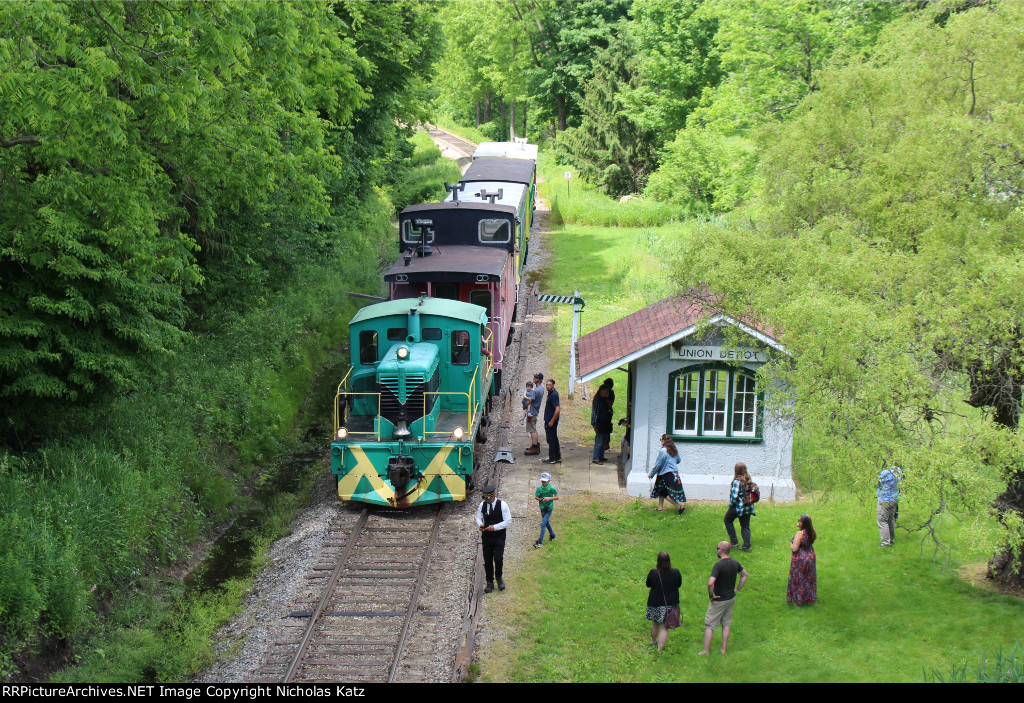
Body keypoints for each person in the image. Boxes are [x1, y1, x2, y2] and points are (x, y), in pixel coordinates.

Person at [700, 541, 748, 656]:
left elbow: (710, 583)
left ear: (721, 550)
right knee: (726, 624)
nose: (717, 550)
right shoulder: (734, 562)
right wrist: (738, 589)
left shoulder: (718, 565)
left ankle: (706, 651)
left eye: (717, 548)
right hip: (731, 598)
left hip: (719, 600)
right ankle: (723, 649)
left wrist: (711, 595)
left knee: (710, 625)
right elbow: (745, 575)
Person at [476, 485, 511, 593]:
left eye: (488, 499)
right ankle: (489, 582)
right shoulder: (482, 505)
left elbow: (508, 521)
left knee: (498, 558)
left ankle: (499, 578)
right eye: (485, 499)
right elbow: (478, 517)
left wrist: (495, 527)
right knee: (487, 559)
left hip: (499, 536)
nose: (487, 501)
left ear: (493, 496)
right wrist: (480, 524)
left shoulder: (502, 505)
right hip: (487, 537)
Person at [645, 551, 682, 653]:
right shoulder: (676, 573)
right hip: (670, 604)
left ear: (658, 561)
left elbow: (648, 584)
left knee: (654, 622)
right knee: (664, 627)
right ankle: (660, 649)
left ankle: (653, 641)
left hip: (655, 602)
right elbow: (679, 584)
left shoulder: (653, 573)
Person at [648, 434, 686, 514]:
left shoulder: (663, 451)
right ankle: (660, 508)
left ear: (664, 441)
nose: (660, 442)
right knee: (661, 490)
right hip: (674, 474)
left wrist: (652, 473)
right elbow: (678, 460)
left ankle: (680, 507)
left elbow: (658, 464)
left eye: (661, 440)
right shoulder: (673, 450)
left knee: (665, 493)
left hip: (666, 475)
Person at [725, 461, 755, 551]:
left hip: (738, 507)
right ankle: (746, 546)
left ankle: (734, 542)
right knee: (745, 527)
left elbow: (734, 496)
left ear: (736, 470)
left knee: (727, 520)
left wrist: (730, 504)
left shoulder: (737, 482)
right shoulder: (749, 481)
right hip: (748, 507)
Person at [787, 514, 817, 606]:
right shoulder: (813, 531)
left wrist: (791, 542)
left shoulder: (799, 534)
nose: (797, 524)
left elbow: (794, 549)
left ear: (803, 523)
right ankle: (809, 598)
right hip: (811, 557)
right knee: (808, 579)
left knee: (798, 579)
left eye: (799, 521)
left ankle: (798, 600)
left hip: (800, 559)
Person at [877, 465, 902, 547]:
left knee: (882, 521)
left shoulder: (885, 473)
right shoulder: (898, 470)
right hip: (894, 498)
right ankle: (891, 540)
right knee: (891, 519)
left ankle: (885, 543)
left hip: (885, 500)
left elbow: (878, 482)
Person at [534, 471, 559, 547]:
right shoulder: (539, 488)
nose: (543, 482)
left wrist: (549, 498)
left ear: (549, 481)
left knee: (543, 523)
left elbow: (557, 497)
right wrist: (541, 499)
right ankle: (553, 535)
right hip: (542, 508)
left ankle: (540, 541)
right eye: (542, 481)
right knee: (546, 522)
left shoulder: (551, 488)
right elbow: (536, 497)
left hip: (549, 508)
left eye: (544, 481)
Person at [591, 384, 614, 465]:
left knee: (604, 441)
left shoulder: (604, 399)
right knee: (599, 441)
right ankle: (596, 458)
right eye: (606, 392)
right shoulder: (597, 400)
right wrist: (595, 425)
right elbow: (595, 413)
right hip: (600, 423)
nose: (608, 393)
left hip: (605, 423)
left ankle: (601, 456)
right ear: (601, 391)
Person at [523, 373, 544, 456]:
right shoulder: (541, 388)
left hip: (532, 412)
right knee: (534, 428)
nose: (534, 378)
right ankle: (534, 445)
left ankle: (535, 448)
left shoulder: (536, 391)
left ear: (539, 380)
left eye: (536, 377)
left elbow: (530, 401)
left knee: (532, 430)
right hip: (535, 410)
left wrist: (524, 405)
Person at [542, 378, 561, 464]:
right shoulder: (552, 393)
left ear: (553, 385)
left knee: (551, 439)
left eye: (549, 385)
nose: (547, 386)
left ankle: (552, 457)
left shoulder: (553, 395)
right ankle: (557, 456)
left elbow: (557, 409)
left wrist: (552, 421)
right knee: (554, 438)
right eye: (547, 385)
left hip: (551, 421)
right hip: (550, 419)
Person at [601, 378, 615, 453]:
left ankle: (606, 445)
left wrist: (604, 397)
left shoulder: (611, 393)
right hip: (603, 413)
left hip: (607, 413)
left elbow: (610, 403)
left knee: (607, 429)